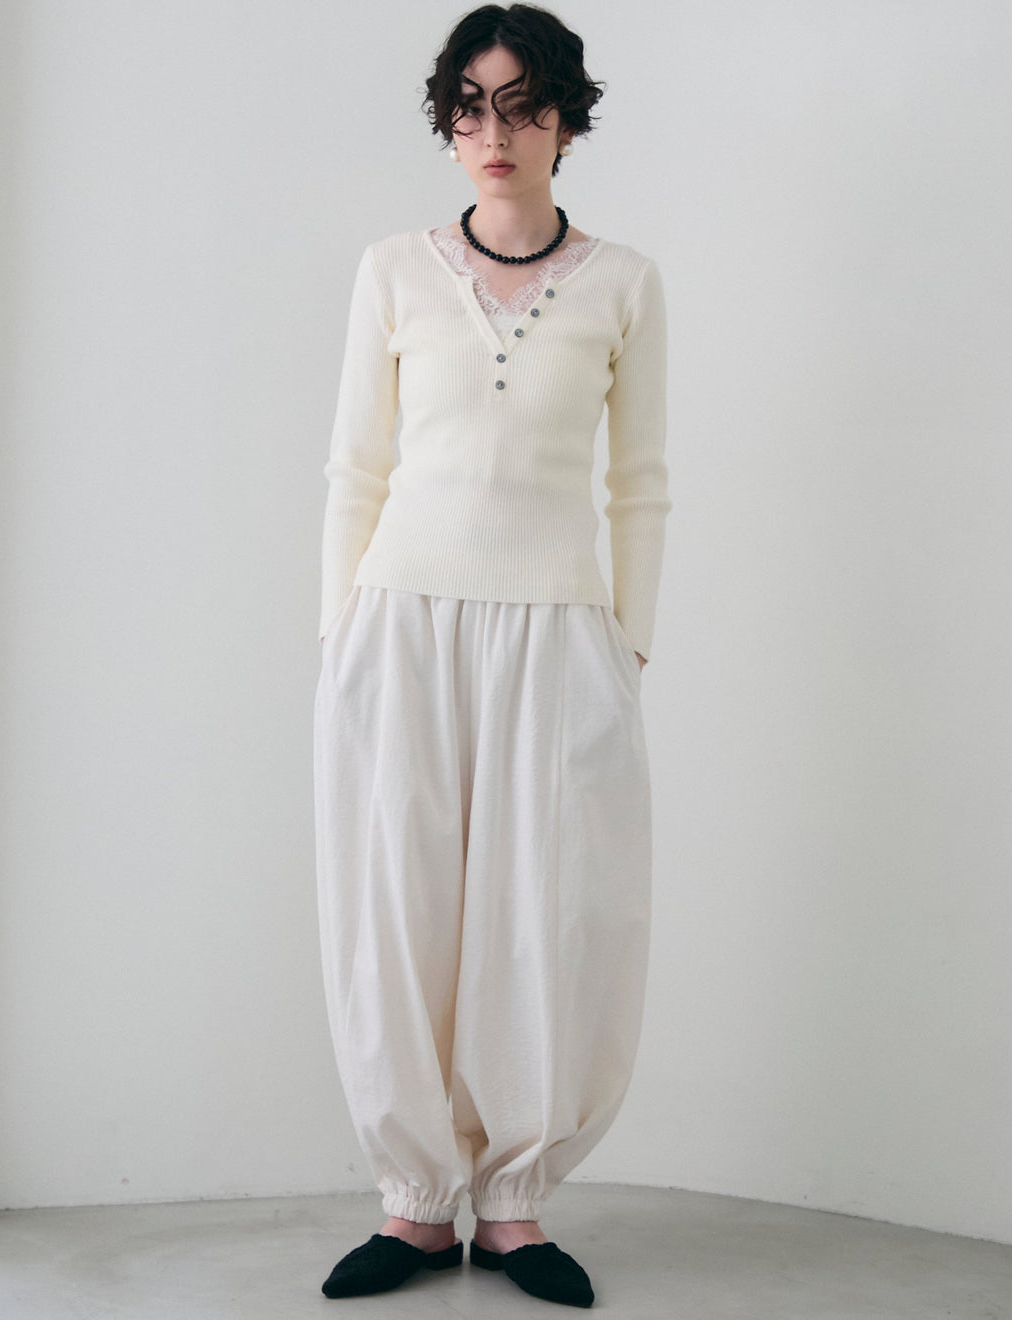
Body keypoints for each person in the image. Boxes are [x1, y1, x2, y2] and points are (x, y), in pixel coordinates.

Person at [313, 3, 671, 1307]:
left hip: (561, 631)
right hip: (401, 622)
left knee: (546, 914)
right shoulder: (392, 271)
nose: (495, 132)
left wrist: (628, 644)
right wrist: (338, 635)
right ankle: (414, 1206)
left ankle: (514, 1206)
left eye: (522, 105)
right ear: (448, 121)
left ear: (566, 119)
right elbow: (356, 469)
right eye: (471, 106)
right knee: (398, 910)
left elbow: (640, 483)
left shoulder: (625, 283)